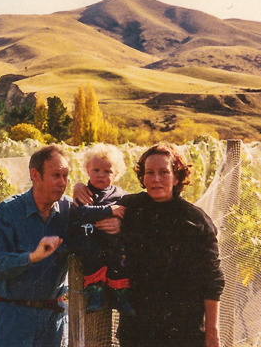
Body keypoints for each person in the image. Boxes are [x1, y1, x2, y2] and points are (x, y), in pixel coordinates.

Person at [74, 143, 224, 347]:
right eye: (149, 172)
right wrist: (80, 188)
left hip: (183, 331)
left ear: (177, 177)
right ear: (142, 177)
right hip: (137, 330)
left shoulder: (195, 220)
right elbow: (97, 200)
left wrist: (212, 332)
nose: (155, 179)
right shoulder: (131, 207)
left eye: (164, 172)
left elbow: (212, 280)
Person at [0, 144, 72, 347]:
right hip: (12, 317)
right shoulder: (7, 212)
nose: (62, 183)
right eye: (56, 175)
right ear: (35, 174)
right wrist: (32, 257)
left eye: (66, 176)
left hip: (53, 319)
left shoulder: (70, 210)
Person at [69, 144, 134, 315]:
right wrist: (109, 210)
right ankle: (95, 295)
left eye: (107, 171)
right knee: (92, 260)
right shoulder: (84, 193)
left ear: (116, 174)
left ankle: (120, 296)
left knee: (119, 262)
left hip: (112, 242)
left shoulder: (120, 195)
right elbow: (82, 212)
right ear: (87, 170)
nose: (100, 175)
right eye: (96, 170)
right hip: (88, 241)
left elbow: (129, 214)